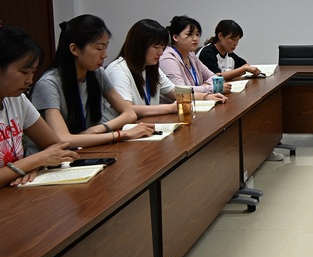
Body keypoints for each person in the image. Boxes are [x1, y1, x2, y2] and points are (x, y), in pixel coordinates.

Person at [31, 15, 154, 148]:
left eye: (106, 47)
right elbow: (63, 139)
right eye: (99, 48)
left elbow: (129, 113)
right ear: (74, 49)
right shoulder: (49, 84)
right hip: (56, 157)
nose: (105, 54)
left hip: (87, 149)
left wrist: (98, 129)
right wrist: (121, 135)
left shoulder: (97, 73)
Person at [0, 27, 79, 186]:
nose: (30, 80)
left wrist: (33, 166)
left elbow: (56, 146)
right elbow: (44, 155)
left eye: (33, 72)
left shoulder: (18, 100)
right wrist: (35, 161)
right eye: (24, 72)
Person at [104, 19, 179, 119]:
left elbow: (176, 92)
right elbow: (127, 109)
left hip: (146, 124)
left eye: (163, 47)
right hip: (123, 127)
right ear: (139, 45)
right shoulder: (118, 70)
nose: (160, 53)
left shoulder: (151, 67)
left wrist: (200, 97)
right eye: (156, 47)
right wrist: (170, 108)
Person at [159, 15, 230, 100]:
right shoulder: (168, 59)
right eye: (189, 34)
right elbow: (181, 91)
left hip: (196, 103)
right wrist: (211, 88)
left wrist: (202, 87)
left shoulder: (191, 55)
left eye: (197, 34)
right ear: (175, 37)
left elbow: (214, 77)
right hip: (176, 106)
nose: (195, 38)